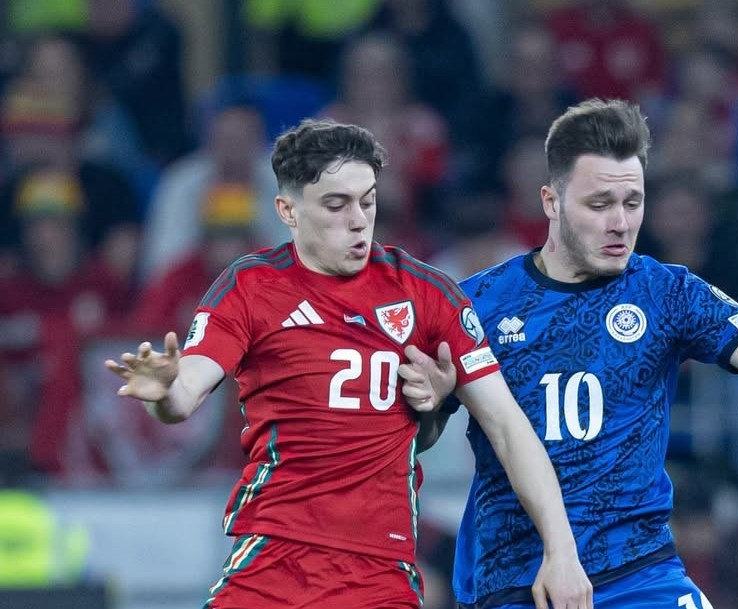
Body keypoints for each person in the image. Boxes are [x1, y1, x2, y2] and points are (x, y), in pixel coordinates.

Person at [103, 119, 591, 609]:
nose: (358, 220)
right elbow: (185, 393)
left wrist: (562, 551)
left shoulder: (427, 294)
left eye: (368, 201)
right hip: (273, 558)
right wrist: (163, 393)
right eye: (337, 205)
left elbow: (507, 425)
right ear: (288, 211)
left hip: (380, 572)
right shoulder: (250, 287)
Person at [435, 99, 738, 608]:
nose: (620, 223)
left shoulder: (664, 292)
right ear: (551, 202)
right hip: (519, 579)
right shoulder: (478, 304)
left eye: (632, 202)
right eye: (600, 204)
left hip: (640, 572)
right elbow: (420, 431)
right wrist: (430, 405)